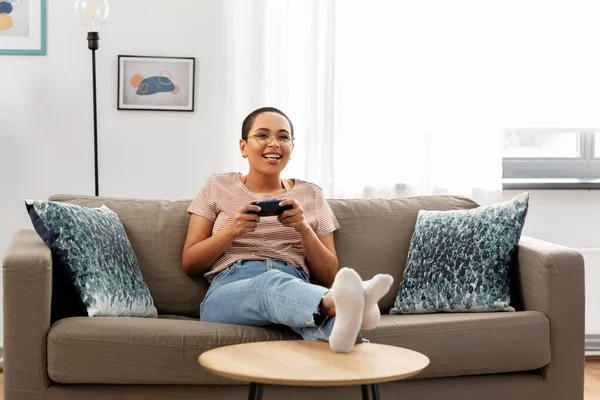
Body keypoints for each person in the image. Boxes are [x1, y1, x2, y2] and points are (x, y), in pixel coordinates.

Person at [182, 107, 393, 353]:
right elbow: (190, 263)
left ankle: (345, 315)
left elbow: (328, 273)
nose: (274, 143)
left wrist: (303, 228)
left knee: (341, 329)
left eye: (283, 137)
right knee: (270, 283)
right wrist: (232, 231)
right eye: (262, 135)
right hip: (229, 291)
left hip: (295, 289)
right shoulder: (216, 186)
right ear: (243, 146)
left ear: (292, 148)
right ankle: (344, 301)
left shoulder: (311, 194)